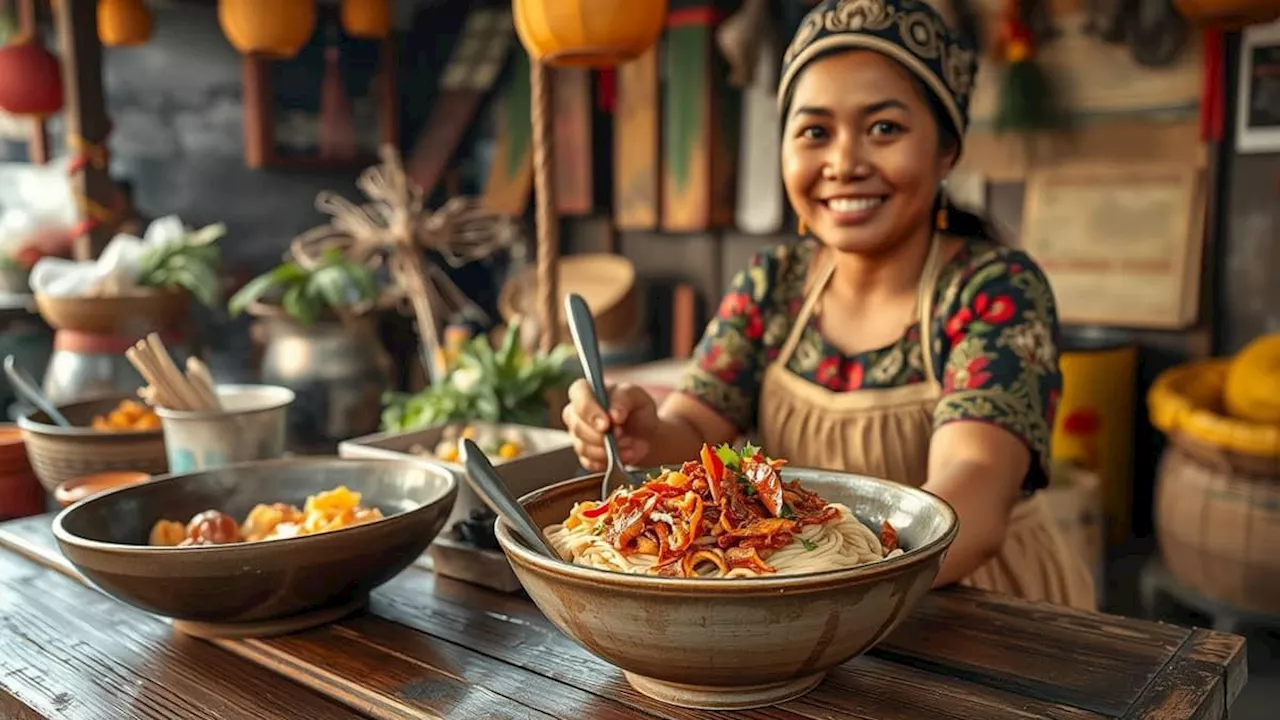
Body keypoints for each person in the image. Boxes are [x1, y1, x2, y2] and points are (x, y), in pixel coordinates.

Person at [563, 0, 1096, 609]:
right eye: (815, 132)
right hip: (797, 599)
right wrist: (638, 432)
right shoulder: (774, 282)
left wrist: (837, 561)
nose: (844, 163)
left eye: (884, 129)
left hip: (975, 603)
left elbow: (975, 481)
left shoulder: (992, 288)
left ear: (946, 151)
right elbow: (690, 436)